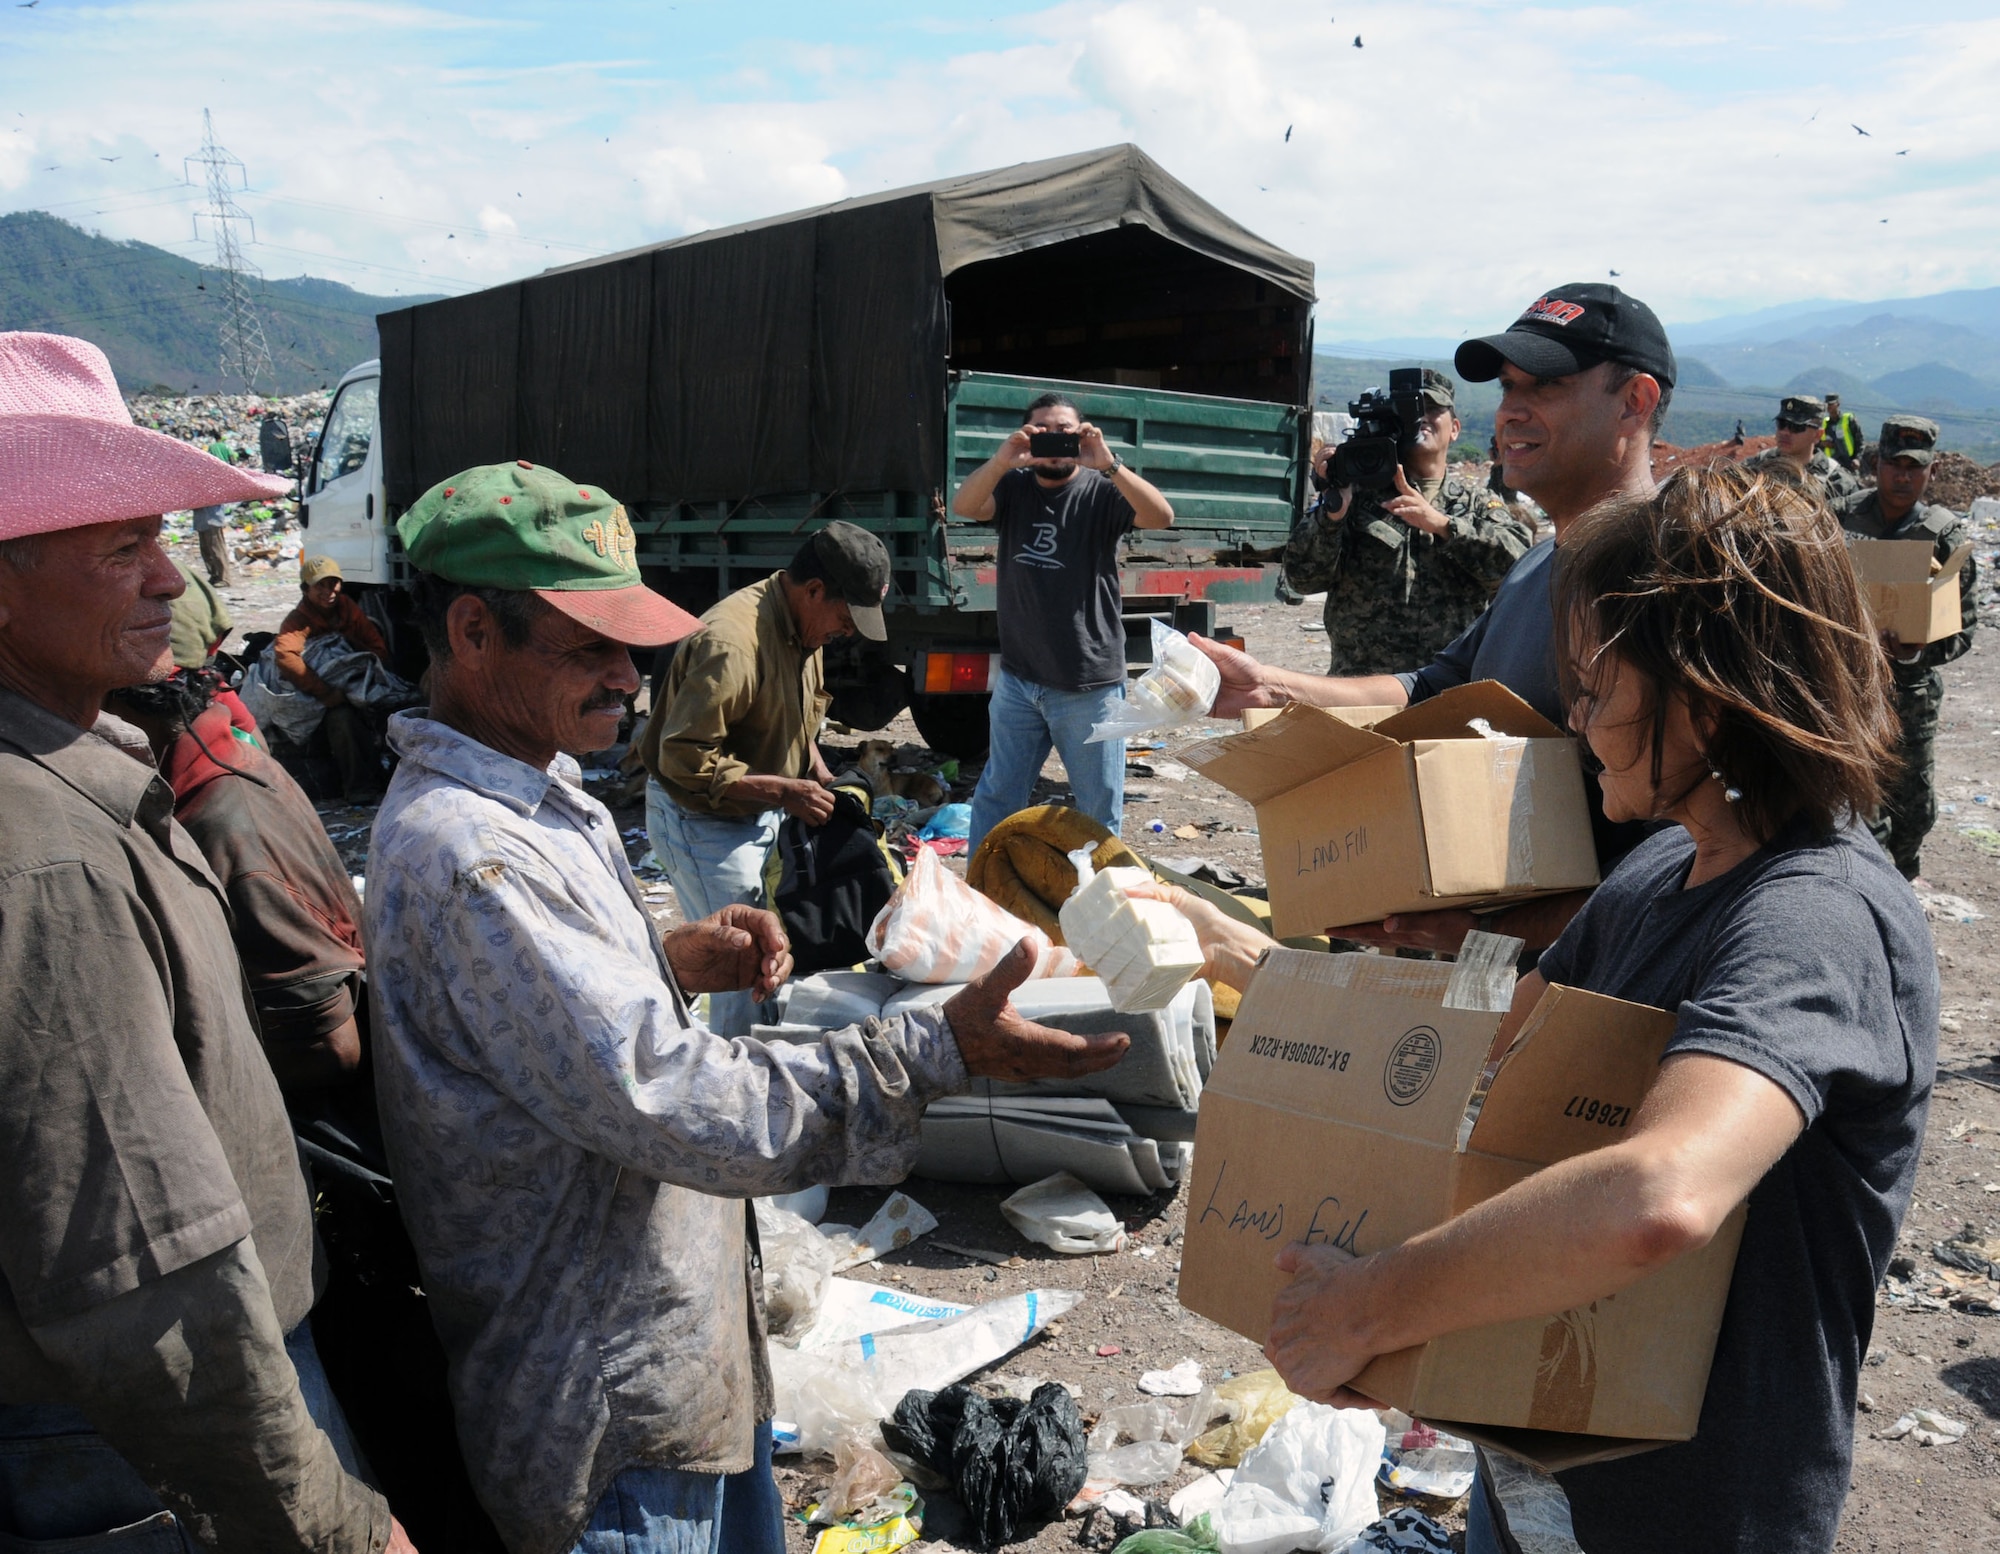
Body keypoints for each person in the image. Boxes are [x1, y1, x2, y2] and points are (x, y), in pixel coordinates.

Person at [1163, 464, 1934, 1554]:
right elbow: (1491, 1040)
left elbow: (1654, 1198)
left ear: (1703, 697)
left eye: (1596, 687)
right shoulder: (1662, 865)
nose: (1575, 720)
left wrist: (1373, 1306)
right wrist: (1247, 956)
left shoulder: (1814, 921)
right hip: (1535, 1463)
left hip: (1687, 1514)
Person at [366, 460, 1129, 1554]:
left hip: (674, 1363)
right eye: (590, 646)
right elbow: (680, 1105)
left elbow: (546, 1027)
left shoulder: (538, 798)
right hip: (609, 1409)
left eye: (632, 646)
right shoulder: (474, 855)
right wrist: (927, 1050)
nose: (629, 678)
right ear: (475, 631)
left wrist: (669, 960)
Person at [0, 331, 407, 1552]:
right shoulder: (44, 846)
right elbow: (140, 1269)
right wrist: (328, 1517)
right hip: (137, 1433)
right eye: (124, 546)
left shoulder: (87, 770)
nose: (174, 579)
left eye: (164, 539)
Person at [1191, 283, 1677, 951]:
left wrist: (1487, 931)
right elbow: (1432, 686)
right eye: (1507, 390)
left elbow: (1694, 853)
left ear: (1636, 401)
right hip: (1506, 975)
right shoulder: (1538, 566)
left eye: (1544, 387)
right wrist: (1273, 689)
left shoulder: (1675, 578)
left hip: (1609, 988)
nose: (1510, 413)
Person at [640, 521, 889, 1034]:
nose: (847, 631)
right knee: (741, 968)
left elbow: (796, 724)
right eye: (846, 617)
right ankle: (725, 1088)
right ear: (815, 590)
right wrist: (783, 789)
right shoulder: (731, 645)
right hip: (701, 818)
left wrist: (824, 781)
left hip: (759, 809)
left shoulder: (804, 627)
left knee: (778, 955)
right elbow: (683, 761)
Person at [953, 391, 1176, 856]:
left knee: (1097, 811)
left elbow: (1161, 516)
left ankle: (1095, 913)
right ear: (1027, 438)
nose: (1055, 441)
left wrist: (1108, 464)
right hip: (1019, 682)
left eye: (1065, 431)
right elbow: (964, 506)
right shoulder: (1013, 488)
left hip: (1087, 685)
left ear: (1083, 434)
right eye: (1043, 431)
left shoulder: (1101, 490)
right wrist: (1000, 461)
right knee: (997, 798)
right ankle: (980, 900)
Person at [1283, 368, 1531, 675]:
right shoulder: (1359, 498)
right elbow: (1301, 579)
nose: (1421, 418)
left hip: (1447, 688)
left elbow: (1518, 569)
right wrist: (1331, 516)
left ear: (1454, 428)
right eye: (1411, 411)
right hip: (1363, 689)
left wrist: (1443, 525)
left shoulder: (1475, 503)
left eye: (1432, 409)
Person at [1832, 415, 1977, 881]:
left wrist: (1916, 651)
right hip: (1845, 687)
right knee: (1850, 803)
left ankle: (1904, 878)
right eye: (1894, 464)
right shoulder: (1838, 517)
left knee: (1911, 807)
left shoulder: (1943, 535)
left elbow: (1962, 630)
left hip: (1908, 694)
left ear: (1930, 472)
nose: (1903, 475)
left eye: (1914, 467)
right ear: (1877, 464)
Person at [273, 553, 393, 803]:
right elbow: (286, 655)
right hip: (321, 697)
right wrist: (326, 692)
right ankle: (359, 787)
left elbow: (377, 647)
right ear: (306, 589)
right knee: (343, 720)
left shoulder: (348, 608)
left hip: (355, 685)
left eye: (333, 584)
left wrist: (360, 670)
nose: (329, 591)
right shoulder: (299, 619)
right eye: (320, 586)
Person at [1742, 394, 1862, 501]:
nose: (1785, 432)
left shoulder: (1837, 482)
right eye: (1781, 424)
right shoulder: (1756, 466)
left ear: (1817, 435)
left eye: (1796, 427)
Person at [1822, 391, 1863, 470]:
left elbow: (1860, 441)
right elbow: (1815, 443)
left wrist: (1857, 459)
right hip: (1831, 466)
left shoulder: (1848, 420)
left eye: (1831, 404)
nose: (1828, 406)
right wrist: (1822, 443)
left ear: (1838, 404)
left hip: (1849, 464)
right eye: (1826, 404)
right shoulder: (1824, 424)